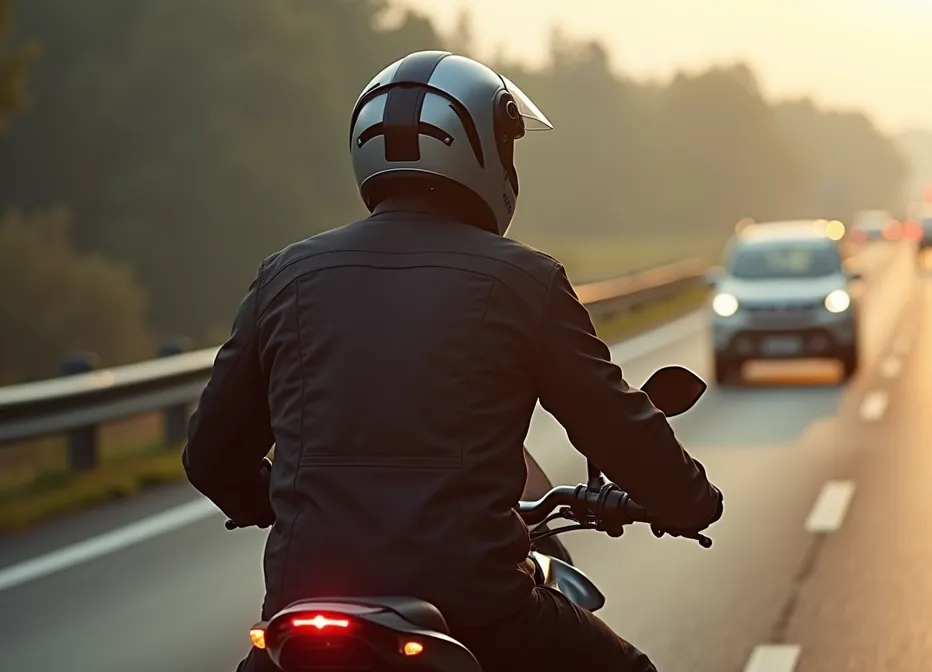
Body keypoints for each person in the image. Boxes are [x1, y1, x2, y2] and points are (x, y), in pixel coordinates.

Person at [182, 50, 723, 672]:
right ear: (483, 153)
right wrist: (690, 500)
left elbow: (211, 456)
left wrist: (270, 502)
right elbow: (615, 422)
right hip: (478, 609)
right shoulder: (526, 280)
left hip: (305, 611)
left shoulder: (285, 276)